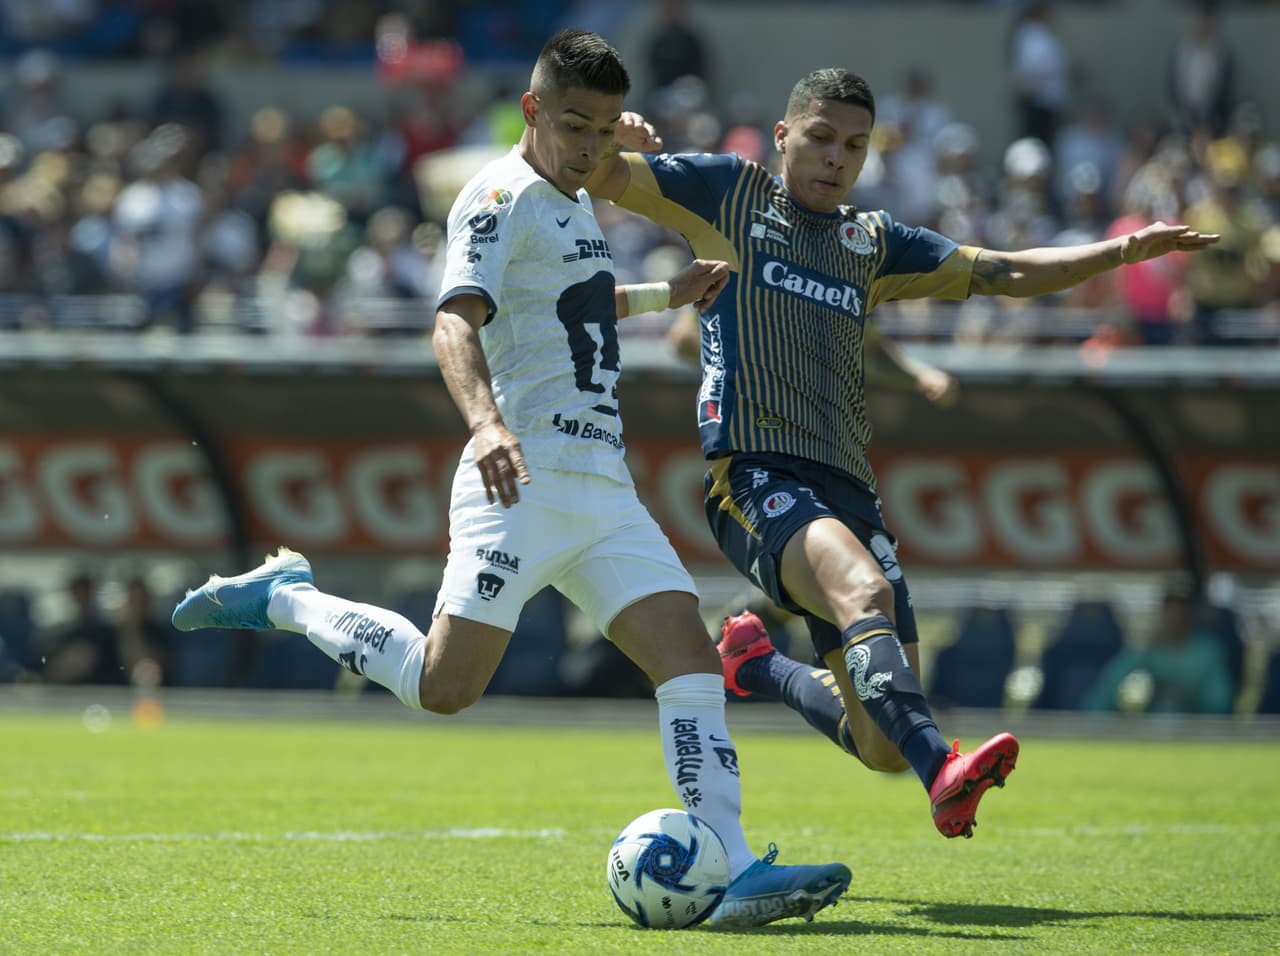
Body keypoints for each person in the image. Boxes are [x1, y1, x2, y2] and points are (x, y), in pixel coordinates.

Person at [172, 30, 850, 929]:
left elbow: (569, 306)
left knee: (687, 658)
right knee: (443, 687)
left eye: (606, 128)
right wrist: (487, 424)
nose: (592, 144)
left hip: (601, 486)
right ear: (532, 110)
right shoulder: (497, 196)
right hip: (520, 476)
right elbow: (456, 321)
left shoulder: (574, 201)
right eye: (576, 124)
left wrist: (666, 296)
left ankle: (727, 866)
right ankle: (288, 597)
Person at [586, 67, 1219, 839]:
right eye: (819, 138)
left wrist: (1120, 251)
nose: (835, 157)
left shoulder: (872, 242)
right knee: (865, 599)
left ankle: (755, 664)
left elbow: (1004, 269)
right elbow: (600, 174)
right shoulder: (729, 193)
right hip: (753, 476)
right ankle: (944, 774)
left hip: (848, 489)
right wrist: (609, 133)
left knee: (879, 743)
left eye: (853, 145)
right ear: (784, 137)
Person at [1083, 588, 1234, 715]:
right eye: (1169, 613)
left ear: (1189, 616)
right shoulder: (1145, 650)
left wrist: (1187, 696)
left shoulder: (1207, 651)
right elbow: (1105, 693)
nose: (1174, 620)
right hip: (1147, 730)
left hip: (1194, 730)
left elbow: (1219, 701)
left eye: (1180, 614)